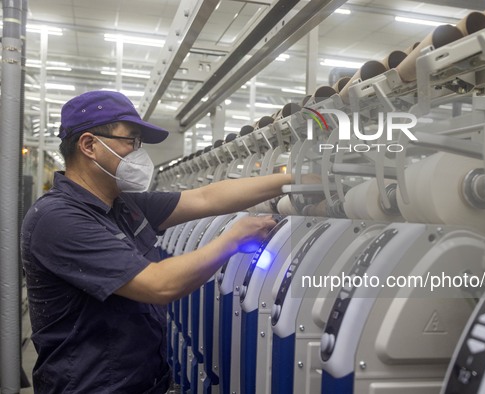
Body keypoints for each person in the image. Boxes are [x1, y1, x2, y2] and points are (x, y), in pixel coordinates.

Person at [21, 90, 290, 393]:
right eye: (131, 140)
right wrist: (233, 240)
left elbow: (205, 197)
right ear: (89, 145)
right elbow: (159, 285)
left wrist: (292, 180)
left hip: (144, 382)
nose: (138, 152)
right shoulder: (58, 219)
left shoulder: (123, 206)